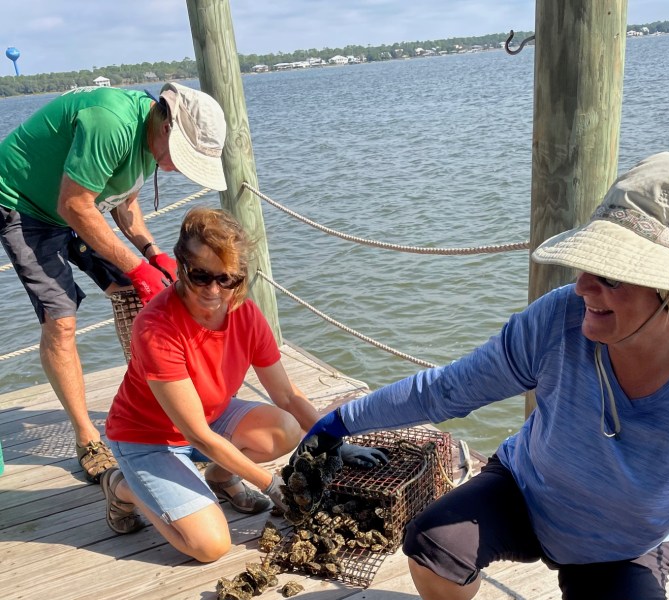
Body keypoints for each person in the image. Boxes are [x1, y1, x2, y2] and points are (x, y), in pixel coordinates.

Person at [299, 152, 669, 600]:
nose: (583, 284)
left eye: (611, 274)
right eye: (587, 262)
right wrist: (342, 420)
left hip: (623, 545)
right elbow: (449, 389)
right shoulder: (557, 320)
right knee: (428, 546)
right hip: (527, 491)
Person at [102, 206, 385, 563]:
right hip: (149, 438)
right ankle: (123, 486)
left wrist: (333, 444)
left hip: (213, 416)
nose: (214, 290)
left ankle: (220, 477)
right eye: (201, 276)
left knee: (286, 429)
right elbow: (198, 436)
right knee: (209, 546)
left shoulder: (246, 314)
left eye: (227, 279)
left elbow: (287, 394)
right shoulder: (155, 327)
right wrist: (270, 483)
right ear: (180, 265)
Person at [0, 82, 227, 484]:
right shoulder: (111, 122)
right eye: (181, 157)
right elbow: (73, 205)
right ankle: (87, 437)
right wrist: (139, 269)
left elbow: (125, 202)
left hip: (75, 203)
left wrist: (153, 254)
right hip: (24, 202)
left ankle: (150, 407)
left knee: (130, 290)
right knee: (61, 320)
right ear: (167, 125)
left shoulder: (149, 136)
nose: (175, 168)